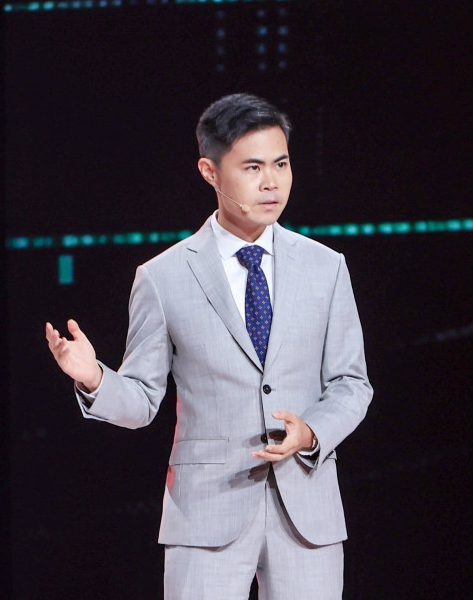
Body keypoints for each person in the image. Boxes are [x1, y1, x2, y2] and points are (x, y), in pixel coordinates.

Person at [45, 93, 372, 600]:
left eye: (282, 164)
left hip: (308, 510)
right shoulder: (163, 277)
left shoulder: (326, 267)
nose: (272, 182)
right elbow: (142, 401)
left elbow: (352, 384)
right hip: (205, 512)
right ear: (210, 171)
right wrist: (93, 378)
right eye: (253, 167)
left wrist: (311, 432)